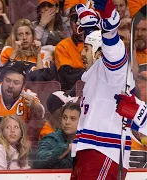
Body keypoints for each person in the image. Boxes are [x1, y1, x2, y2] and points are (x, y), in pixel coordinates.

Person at [71, 1, 131, 179]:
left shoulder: (113, 71)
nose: (82, 54)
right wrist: (89, 25)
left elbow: (111, 46)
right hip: (87, 151)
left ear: (99, 53)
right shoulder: (95, 74)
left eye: (86, 49)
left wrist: (108, 19)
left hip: (104, 152)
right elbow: (95, 40)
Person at [0, 61, 45, 141]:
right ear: (2, 80)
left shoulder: (29, 96)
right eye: (8, 80)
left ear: (23, 85)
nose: (10, 86)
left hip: (17, 147)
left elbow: (40, 113)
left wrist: (34, 105)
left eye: (16, 83)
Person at [35, 102, 80, 169]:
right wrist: (66, 148)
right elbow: (39, 161)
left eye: (72, 119)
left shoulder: (88, 140)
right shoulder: (51, 138)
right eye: (65, 118)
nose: (67, 122)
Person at [54, 5, 85, 91]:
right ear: (70, 23)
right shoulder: (63, 46)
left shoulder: (100, 43)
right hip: (72, 92)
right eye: (74, 19)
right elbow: (68, 75)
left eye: (81, 18)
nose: (77, 23)